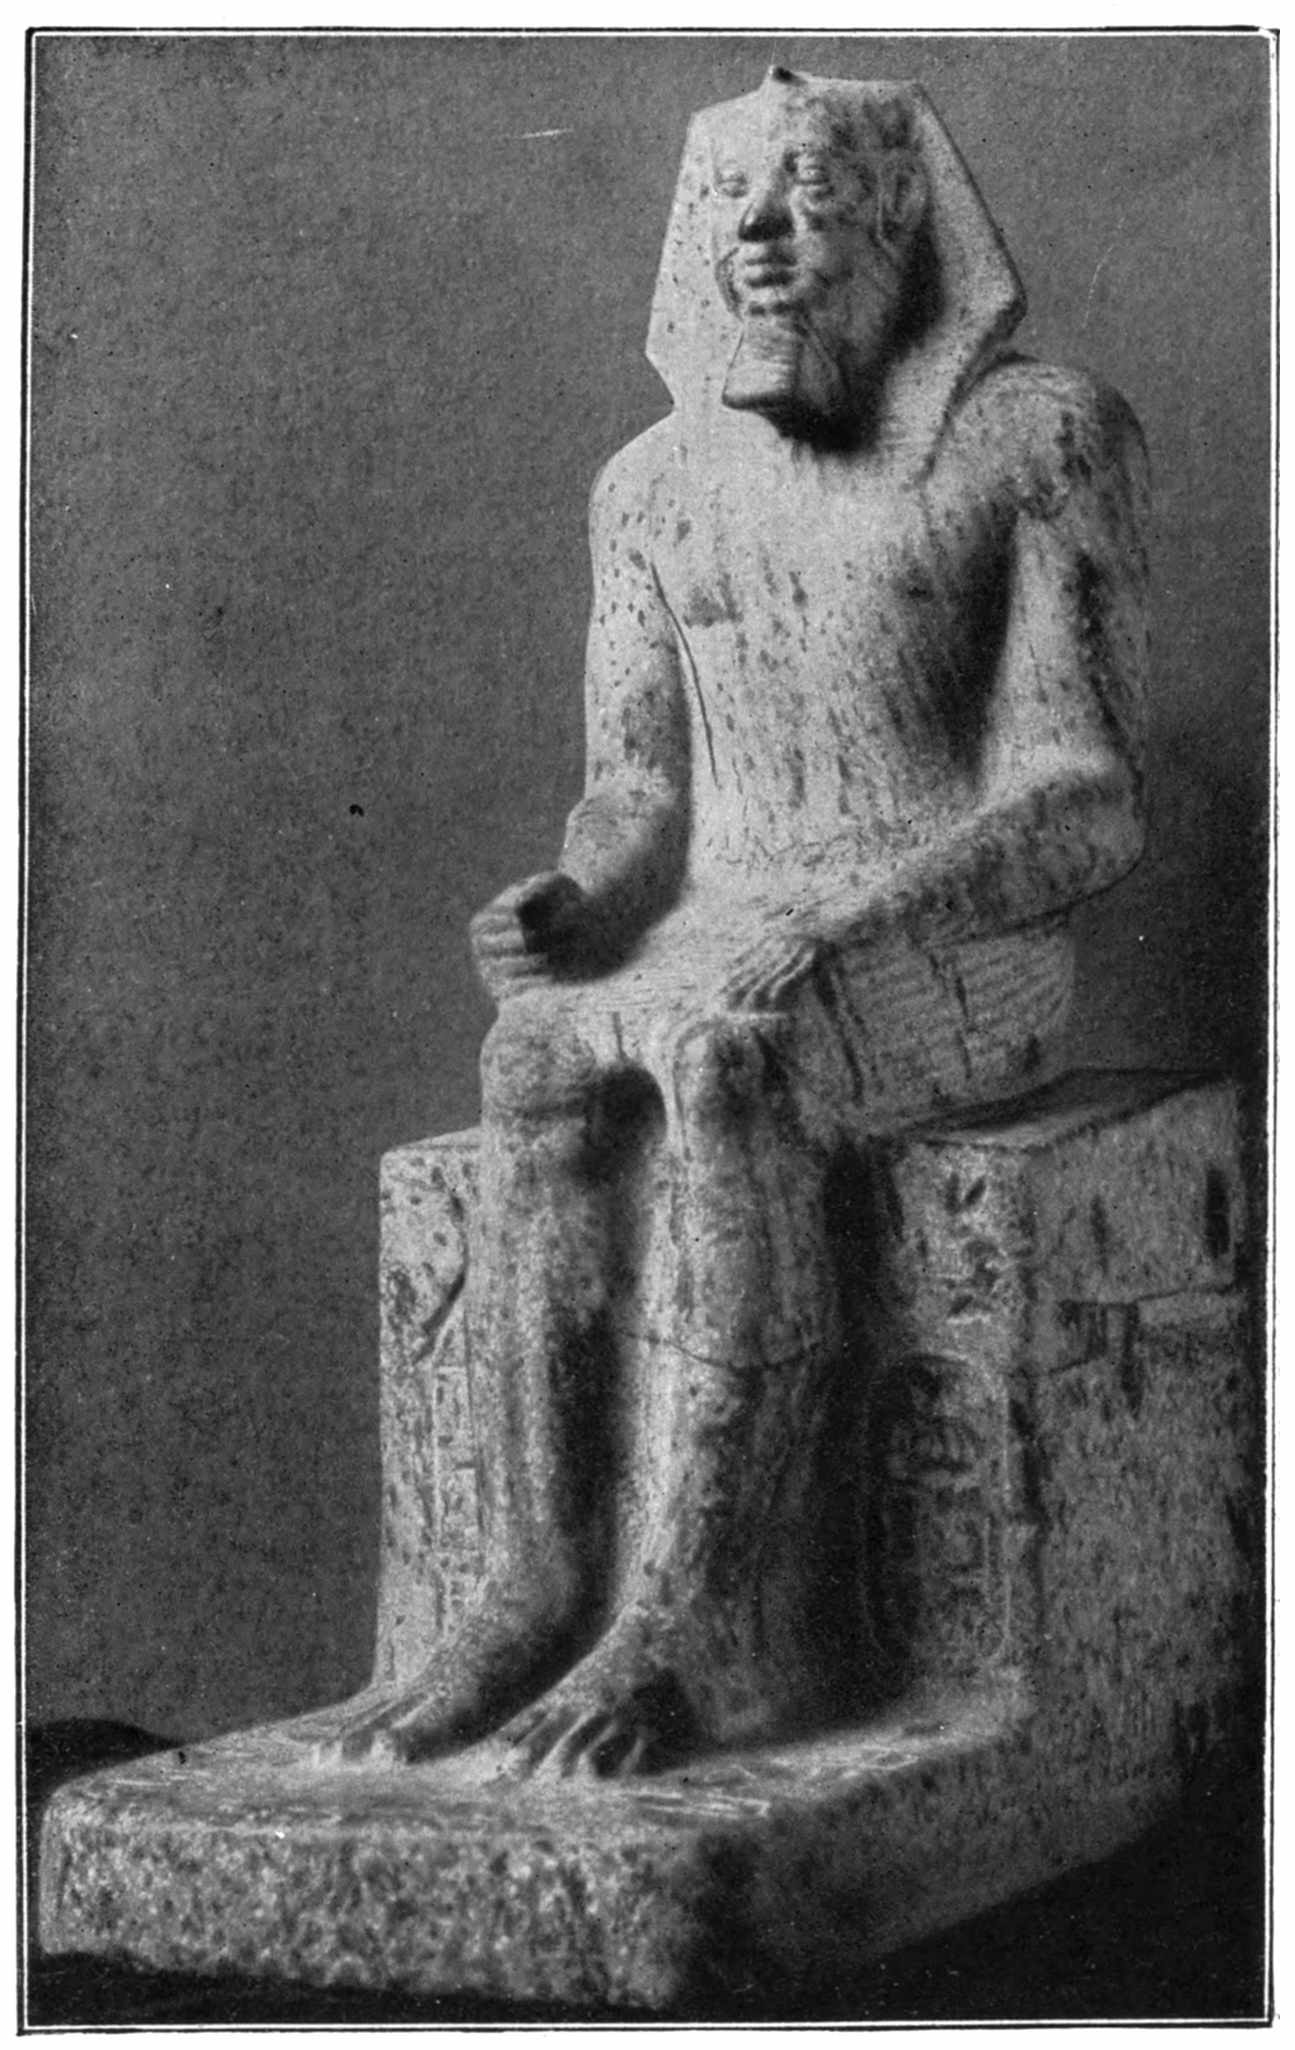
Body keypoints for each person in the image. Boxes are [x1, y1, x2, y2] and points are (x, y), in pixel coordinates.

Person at [326, 68, 1148, 1777]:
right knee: (535, 1054)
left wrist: (866, 910)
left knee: (726, 1064)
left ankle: (701, 1613)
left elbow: (1080, 794)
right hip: (728, 916)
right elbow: (638, 791)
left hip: (957, 937)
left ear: (906, 221)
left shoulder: (1037, 438)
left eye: (807, 194)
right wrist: (575, 900)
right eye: (728, 202)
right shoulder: (649, 488)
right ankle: (541, 1576)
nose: (759, 233)